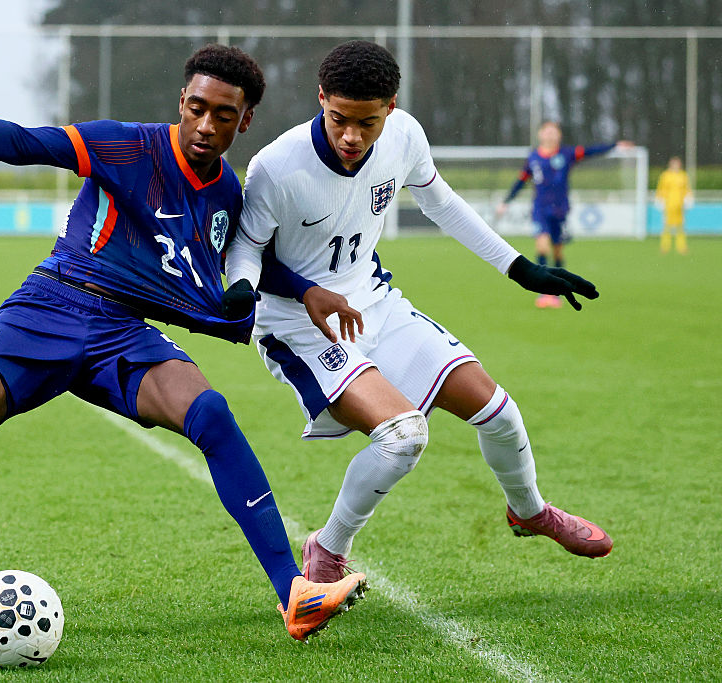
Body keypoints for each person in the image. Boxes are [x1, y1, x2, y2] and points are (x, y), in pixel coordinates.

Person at [0, 44, 366, 644]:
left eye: (224, 115)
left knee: (211, 414)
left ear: (244, 120)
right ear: (181, 102)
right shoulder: (127, 145)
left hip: (122, 331)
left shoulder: (227, 193)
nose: (205, 124)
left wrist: (306, 291)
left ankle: (294, 595)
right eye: (196, 107)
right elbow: (29, 142)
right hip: (52, 304)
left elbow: (243, 263)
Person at [224, 40, 612, 585]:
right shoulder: (276, 166)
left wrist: (519, 267)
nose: (352, 136)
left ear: (391, 107)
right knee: (404, 436)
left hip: (376, 304)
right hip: (300, 327)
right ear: (320, 100)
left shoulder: (404, 136)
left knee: (500, 413)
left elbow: (442, 203)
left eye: (368, 121)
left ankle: (529, 511)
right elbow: (245, 248)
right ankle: (328, 546)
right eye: (339, 120)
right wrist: (247, 287)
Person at [496, 120, 632, 308]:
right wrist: (506, 201)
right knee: (542, 246)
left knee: (557, 250)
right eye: (547, 131)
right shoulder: (533, 158)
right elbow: (521, 181)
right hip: (540, 209)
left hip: (560, 210)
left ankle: (559, 290)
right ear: (540, 135)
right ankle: (544, 293)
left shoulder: (567, 153)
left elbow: (590, 151)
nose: (551, 135)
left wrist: (614, 146)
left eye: (554, 131)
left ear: (559, 135)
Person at [656, 156, 692, 255]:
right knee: (667, 226)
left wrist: (688, 198)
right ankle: (664, 247)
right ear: (670, 165)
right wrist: (660, 199)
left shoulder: (683, 176)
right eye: (674, 163)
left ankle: (682, 247)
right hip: (668, 204)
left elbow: (686, 189)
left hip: (679, 205)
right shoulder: (665, 176)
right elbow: (661, 188)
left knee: (680, 227)